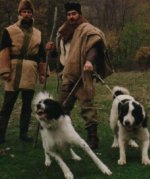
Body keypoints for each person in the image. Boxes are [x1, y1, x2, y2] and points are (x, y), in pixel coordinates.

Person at [46, 2, 113, 149]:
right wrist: (51, 50)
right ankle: (62, 136)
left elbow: (94, 46)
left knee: (87, 107)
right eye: (69, 14)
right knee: (62, 107)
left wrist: (89, 61)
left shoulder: (87, 29)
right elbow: (61, 53)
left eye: (74, 14)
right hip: (67, 74)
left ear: (80, 14)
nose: (71, 17)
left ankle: (93, 138)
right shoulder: (63, 31)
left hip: (83, 74)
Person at [0, 0, 46, 144]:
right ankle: (1, 134)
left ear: (32, 14)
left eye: (29, 12)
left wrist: (43, 73)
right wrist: (5, 70)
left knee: (27, 106)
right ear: (20, 13)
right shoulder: (9, 30)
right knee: (7, 105)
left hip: (30, 71)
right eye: (24, 12)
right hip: (13, 70)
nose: (27, 14)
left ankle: (23, 133)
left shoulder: (38, 34)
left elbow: (42, 55)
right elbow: (4, 51)